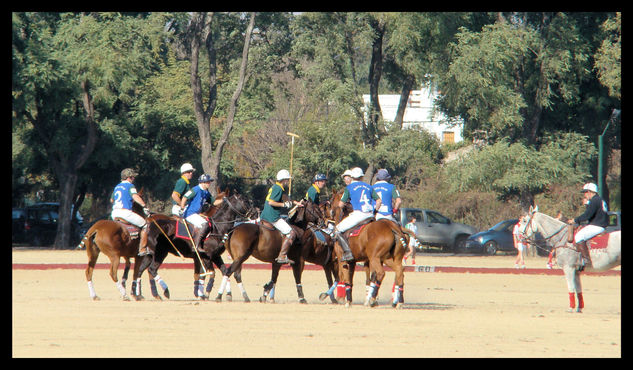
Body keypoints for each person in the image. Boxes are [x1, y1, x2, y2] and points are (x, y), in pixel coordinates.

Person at [333, 167, 382, 262]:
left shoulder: (349, 187)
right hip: (370, 215)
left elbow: (340, 204)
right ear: (362, 177)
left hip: (358, 215)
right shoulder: (369, 187)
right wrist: (375, 211)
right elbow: (379, 201)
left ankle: (348, 253)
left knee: (337, 230)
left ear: (352, 177)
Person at [261, 169, 303, 265]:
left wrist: (295, 203)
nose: (288, 181)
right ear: (283, 180)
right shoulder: (278, 188)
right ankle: (282, 255)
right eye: (287, 180)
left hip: (265, 214)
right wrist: (284, 205)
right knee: (291, 233)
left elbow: (286, 199)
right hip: (272, 217)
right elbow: (271, 202)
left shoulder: (276, 187)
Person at [110, 168, 152, 256]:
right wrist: (144, 206)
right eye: (133, 177)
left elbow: (111, 200)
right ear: (129, 177)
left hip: (114, 213)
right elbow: (135, 197)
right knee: (145, 225)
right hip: (125, 213)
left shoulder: (117, 187)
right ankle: (142, 249)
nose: (134, 179)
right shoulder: (130, 186)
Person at [568, 182, 609, 269]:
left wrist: (574, 220)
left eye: (585, 192)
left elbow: (587, 215)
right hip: (600, 225)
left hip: (597, 225)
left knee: (578, 237)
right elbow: (592, 213)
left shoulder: (594, 200)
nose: (585, 195)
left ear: (590, 192)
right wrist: (587, 205)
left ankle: (587, 263)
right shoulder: (599, 199)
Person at [180, 174, 223, 252]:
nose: (209, 183)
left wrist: (224, 200)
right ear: (202, 182)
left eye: (209, 182)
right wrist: (182, 207)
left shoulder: (206, 192)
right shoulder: (195, 189)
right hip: (190, 213)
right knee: (205, 224)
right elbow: (185, 197)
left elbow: (214, 202)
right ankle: (196, 246)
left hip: (197, 214)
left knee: (209, 223)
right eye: (208, 182)